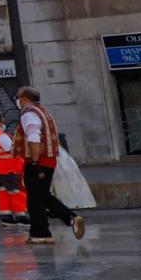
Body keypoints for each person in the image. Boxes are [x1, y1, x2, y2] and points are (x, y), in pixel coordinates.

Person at [17, 88, 86, 245]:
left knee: (34, 199)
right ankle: (68, 219)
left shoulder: (29, 114)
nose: (18, 101)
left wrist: (34, 162)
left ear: (25, 98)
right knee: (41, 195)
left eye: (19, 97)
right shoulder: (44, 112)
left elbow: (34, 138)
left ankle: (41, 233)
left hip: (38, 162)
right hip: (49, 161)